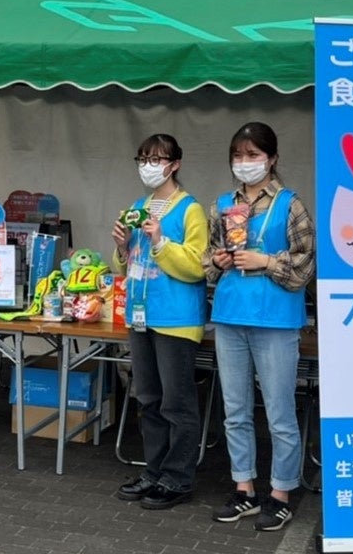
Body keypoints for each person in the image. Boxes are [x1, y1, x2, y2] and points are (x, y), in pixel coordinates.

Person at [204, 122, 316, 532]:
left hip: (275, 319)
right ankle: (244, 489)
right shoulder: (222, 204)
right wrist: (218, 261)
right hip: (230, 315)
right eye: (238, 155)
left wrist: (265, 261)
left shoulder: (290, 204)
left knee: (279, 411)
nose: (244, 162)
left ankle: (281, 494)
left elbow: (306, 263)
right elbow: (207, 260)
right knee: (235, 410)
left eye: (253, 155)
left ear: (272, 158)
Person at [110, 133, 209, 510]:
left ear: (175, 164)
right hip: (141, 315)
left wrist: (161, 242)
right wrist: (122, 247)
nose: (148, 166)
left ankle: (178, 477)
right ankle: (154, 471)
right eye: (143, 159)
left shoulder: (190, 210)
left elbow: (197, 266)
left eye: (157, 159)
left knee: (176, 402)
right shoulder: (138, 206)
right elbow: (128, 265)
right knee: (148, 399)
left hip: (176, 318)